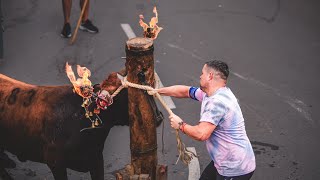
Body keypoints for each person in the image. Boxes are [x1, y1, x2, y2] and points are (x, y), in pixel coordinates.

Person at [157, 60, 256, 180]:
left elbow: (201, 134)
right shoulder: (210, 94)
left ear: (210, 76)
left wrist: (181, 125)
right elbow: (185, 91)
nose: (200, 76)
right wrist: (158, 91)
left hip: (235, 169)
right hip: (223, 162)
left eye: (202, 73)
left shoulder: (217, 103)